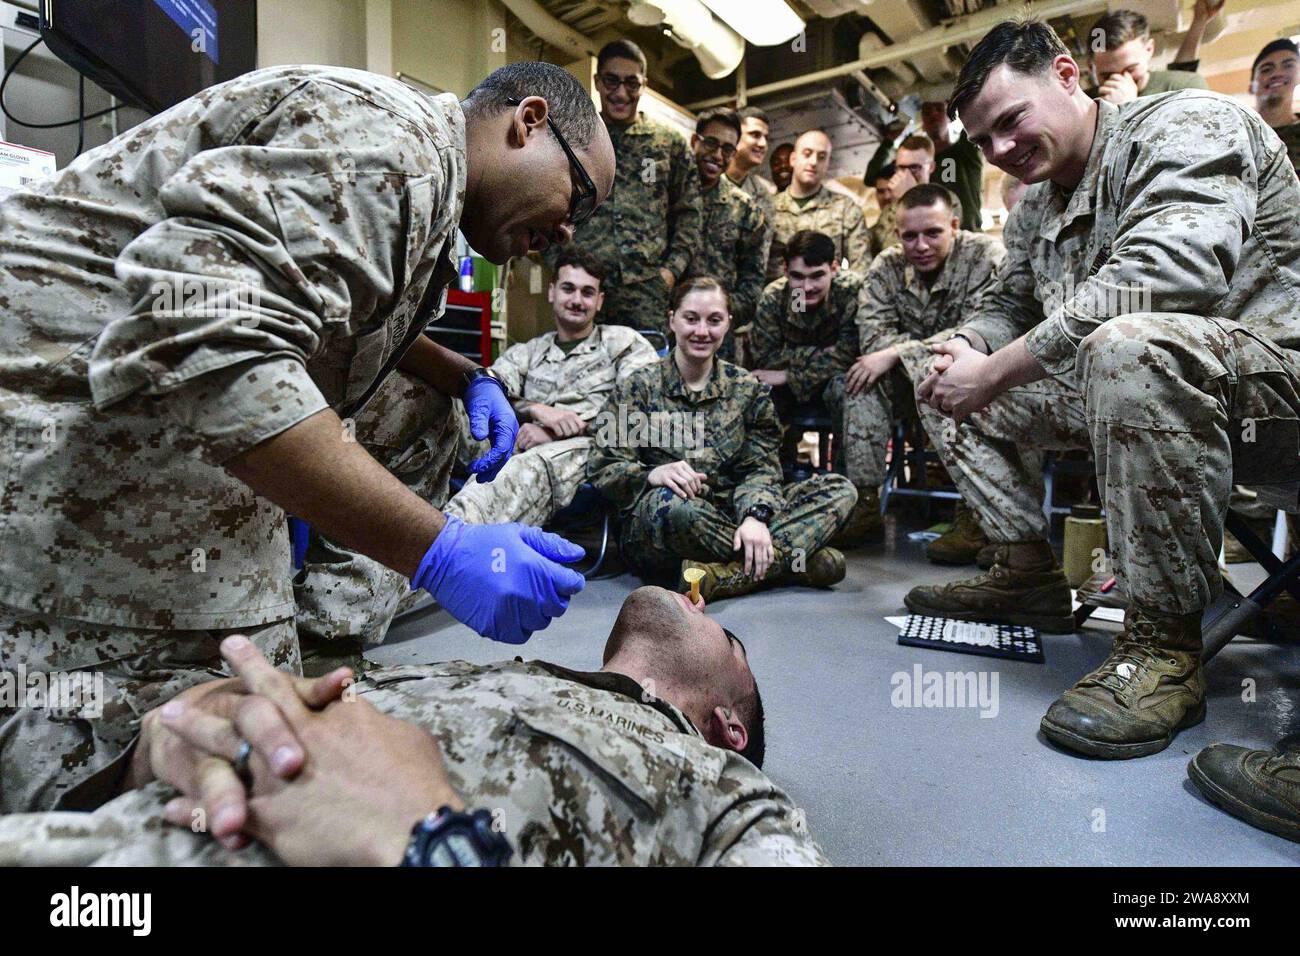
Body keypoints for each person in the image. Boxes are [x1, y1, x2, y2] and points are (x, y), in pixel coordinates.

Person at [0, 61, 614, 812]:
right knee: (217, 748)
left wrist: (463, 375)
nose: (566, 233)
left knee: (420, 407)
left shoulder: (426, 178)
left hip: (122, 373)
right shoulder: (390, 146)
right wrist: (440, 552)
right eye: (578, 196)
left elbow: (333, 309)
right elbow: (210, 347)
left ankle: (323, 635)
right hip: (50, 409)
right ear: (531, 121)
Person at [906, 18, 1300, 761]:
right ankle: (1025, 571)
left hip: (1275, 396)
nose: (999, 150)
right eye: (982, 139)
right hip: (1149, 398)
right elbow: (1006, 304)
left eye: (1010, 121)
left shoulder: (1186, 122)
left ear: (1065, 74)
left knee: (1128, 345)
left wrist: (995, 370)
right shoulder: (1034, 207)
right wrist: (968, 346)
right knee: (930, 363)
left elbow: (1166, 276)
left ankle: (1161, 651)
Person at [0, 591, 828, 866]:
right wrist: (157, 743)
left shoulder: (729, 793)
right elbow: (41, 758)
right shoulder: (479, 672)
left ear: (729, 724)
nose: (700, 605)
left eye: (730, 637)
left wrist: (434, 843)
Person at [588, 276, 857, 601]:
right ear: (672, 319)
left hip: (732, 510)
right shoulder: (638, 387)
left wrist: (755, 516)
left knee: (840, 490)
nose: (702, 331)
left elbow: (761, 470)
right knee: (673, 509)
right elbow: (603, 466)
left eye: (714, 320)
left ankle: (727, 573)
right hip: (665, 525)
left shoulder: (747, 389)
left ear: (728, 323)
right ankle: (790, 559)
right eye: (691, 318)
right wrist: (651, 474)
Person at [845, 185, 1006, 564]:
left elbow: (983, 328)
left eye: (932, 233)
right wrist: (896, 356)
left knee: (949, 371)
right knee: (861, 379)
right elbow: (872, 334)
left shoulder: (985, 256)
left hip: (972, 378)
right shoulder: (886, 266)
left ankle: (977, 511)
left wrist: (900, 352)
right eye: (909, 236)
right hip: (909, 385)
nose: (920, 245)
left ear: (954, 224)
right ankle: (865, 502)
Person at [446, 247, 659, 528]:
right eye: (568, 288)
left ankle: (443, 542)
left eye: (587, 292)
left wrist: (566, 429)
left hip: (585, 450)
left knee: (524, 466)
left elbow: (643, 411)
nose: (576, 300)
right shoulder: (530, 351)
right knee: (447, 406)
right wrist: (535, 410)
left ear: (600, 301)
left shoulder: (624, 344)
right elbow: (491, 389)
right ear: (552, 292)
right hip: (519, 438)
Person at [543, 38, 701, 330]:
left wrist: (669, 272)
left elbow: (689, 214)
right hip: (584, 284)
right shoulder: (573, 139)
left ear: (644, 84)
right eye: (612, 81)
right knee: (584, 368)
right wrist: (559, 263)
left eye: (631, 83)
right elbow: (544, 205)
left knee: (646, 371)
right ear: (598, 82)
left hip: (647, 289)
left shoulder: (668, 143)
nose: (621, 93)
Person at [750, 231, 878, 543]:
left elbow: (851, 354)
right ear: (785, 271)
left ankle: (855, 501)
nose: (806, 287)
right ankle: (769, 492)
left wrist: (790, 373)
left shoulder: (853, 292)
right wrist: (814, 361)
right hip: (787, 394)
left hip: (835, 386)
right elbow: (766, 358)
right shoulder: (775, 298)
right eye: (798, 276)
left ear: (835, 267)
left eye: (817, 276)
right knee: (758, 393)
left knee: (853, 386)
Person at [682, 108, 770, 346]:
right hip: (668, 326)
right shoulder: (670, 195)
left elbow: (753, 281)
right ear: (694, 141)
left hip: (717, 338)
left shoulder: (746, 210)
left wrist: (722, 315)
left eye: (728, 149)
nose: (718, 155)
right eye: (711, 143)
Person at [765, 130, 870, 281]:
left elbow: (862, 271)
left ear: (827, 163)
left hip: (827, 300)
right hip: (778, 301)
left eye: (821, 157)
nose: (814, 162)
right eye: (807, 154)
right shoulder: (767, 209)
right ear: (793, 159)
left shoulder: (846, 209)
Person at [866, 102, 984, 234]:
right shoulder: (912, 163)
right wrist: (888, 141)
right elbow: (872, 178)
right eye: (927, 112)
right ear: (922, 122)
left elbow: (976, 116)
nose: (933, 115)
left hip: (965, 234)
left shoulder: (964, 153)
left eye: (939, 110)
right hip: (926, 236)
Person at [1088, 6, 1215, 104]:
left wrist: (1128, 108)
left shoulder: (1186, 88)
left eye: (1130, 69)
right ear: (1091, 67)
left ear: (1149, 50)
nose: (1121, 80)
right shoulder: (1084, 103)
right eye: (1107, 76)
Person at [867, 135, 936, 260]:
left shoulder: (944, 201)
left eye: (914, 168)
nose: (906, 175)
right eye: (901, 168)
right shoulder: (890, 208)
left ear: (931, 167)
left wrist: (908, 196)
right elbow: (887, 250)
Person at [725, 105, 778, 226]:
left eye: (766, 138)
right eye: (755, 135)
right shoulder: (709, 179)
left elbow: (764, 241)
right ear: (734, 135)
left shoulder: (763, 195)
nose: (763, 144)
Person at [1251, 38, 1300, 171]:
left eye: (1288, 65)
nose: (1277, 73)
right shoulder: (1235, 132)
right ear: (1251, 86)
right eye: (1266, 69)